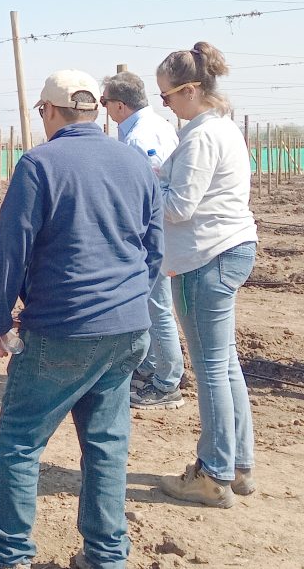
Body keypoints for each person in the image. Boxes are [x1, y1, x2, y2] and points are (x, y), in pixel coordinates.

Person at [0, 70, 162, 569]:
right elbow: (154, 250)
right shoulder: (136, 163)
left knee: (21, 439)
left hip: (61, 327)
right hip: (126, 327)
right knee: (107, 443)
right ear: (95, 111)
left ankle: (7, 554)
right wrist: (129, 301)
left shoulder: (39, 163)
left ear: (49, 111)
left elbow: (12, 248)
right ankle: (107, 554)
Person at [154, 43, 259, 509]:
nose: (167, 105)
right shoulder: (223, 129)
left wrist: (149, 184)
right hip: (229, 248)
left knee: (213, 368)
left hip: (206, 258)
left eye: (168, 96)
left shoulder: (200, 136)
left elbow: (179, 206)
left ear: (191, 90)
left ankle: (213, 474)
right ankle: (238, 466)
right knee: (226, 362)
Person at [101, 71, 185, 411]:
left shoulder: (139, 138)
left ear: (120, 105)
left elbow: (146, 193)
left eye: (106, 102)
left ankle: (167, 382)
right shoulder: (160, 125)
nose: (104, 108)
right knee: (151, 303)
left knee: (157, 304)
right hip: (159, 230)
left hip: (152, 233)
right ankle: (151, 367)